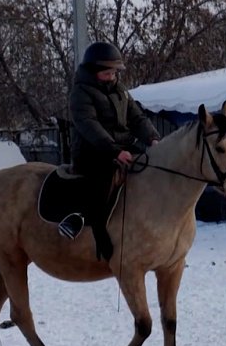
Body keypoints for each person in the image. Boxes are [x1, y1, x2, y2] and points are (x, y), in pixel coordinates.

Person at [61, 41, 160, 260]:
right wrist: (114, 151)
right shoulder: (80, 93)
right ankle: (92, 227)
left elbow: (137, 118)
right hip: (92, 152)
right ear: (94, 71)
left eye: (114, 72)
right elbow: (89, 125)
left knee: (150, 166)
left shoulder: (121, 90)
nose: (112, 76)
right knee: (104, 179)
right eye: (107, 73)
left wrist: (153, 138)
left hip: (121, 146)